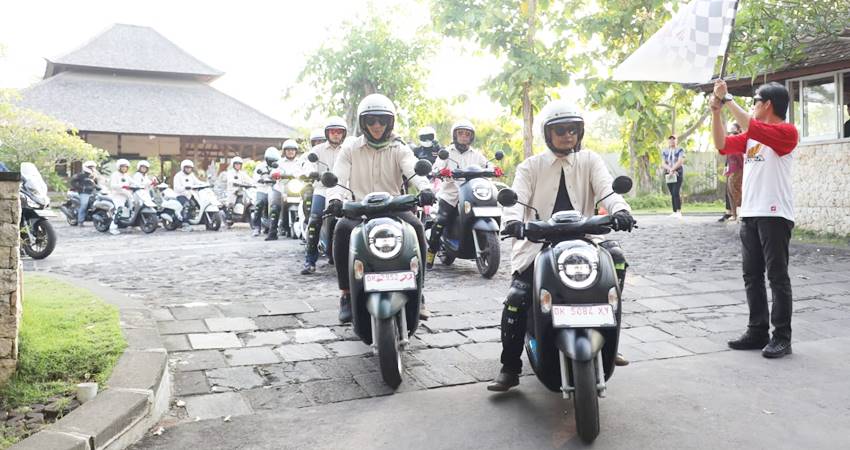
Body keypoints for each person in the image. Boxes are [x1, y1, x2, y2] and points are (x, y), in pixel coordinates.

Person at [488, 100, 635, 392]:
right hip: (538, 245)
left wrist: (621, 210)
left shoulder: (590, 160)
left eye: (573, 129)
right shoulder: (531, 166)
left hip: (585, 240)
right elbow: (516, 200)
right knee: (517, 297)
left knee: (615, 259)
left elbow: (608, 191)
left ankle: (608, 334)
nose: (568, 135)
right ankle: (510, 366)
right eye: (560, 130)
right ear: (548, 134)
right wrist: (513, 223)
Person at [326, 93, 435, 323]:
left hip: (394, 206)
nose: (377, 125)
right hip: (360, 208)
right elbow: (338, 177)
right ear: (363, 122)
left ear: (390, 122)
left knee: (417, 229)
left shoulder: (399, 148)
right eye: (371, 120)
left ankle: (420, 291)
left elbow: (413, 169)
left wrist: (425, 189)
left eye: (382, 120)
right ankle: (346, 294)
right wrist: (335, 199)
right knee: (342, 230)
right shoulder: (350, 148)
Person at [710, 80, 798, 359]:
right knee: (752, 276)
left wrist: (727, 99)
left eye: (756, 101)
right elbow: (722, 144)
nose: (753, 106)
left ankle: (782, 336)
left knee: (777, 276)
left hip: (775, 215)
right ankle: (757, 330)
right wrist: (716, 112)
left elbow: (751, 124)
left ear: (767, 104)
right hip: (750, 213)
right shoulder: (752, 137)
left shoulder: (786, 132)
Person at [425, 119, 489, 268]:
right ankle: (430, 255)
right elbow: (437, 167)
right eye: (461, 133)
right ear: (455, 135)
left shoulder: (477, 155)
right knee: (441, 221)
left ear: (471, 137)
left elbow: (487, 165)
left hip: (470, 194)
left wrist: (494, 170)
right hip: (450, 195)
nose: (464, 137)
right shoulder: (446, 153)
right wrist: (439, 171)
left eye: (467, 134)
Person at [301, 116, 348, 274]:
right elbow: (308, 163)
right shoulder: (318, 150)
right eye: (332, 131)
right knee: (314, 220)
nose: (336, 134)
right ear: (327, 133)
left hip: (343, 190)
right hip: (322, 189)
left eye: (339, 132)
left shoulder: (349, 149)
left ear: (344, 134)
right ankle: (310, 260)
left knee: (352, 221)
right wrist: (310, 172)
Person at [267, 139, 302, 240]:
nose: (290, 151)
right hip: (281, 188)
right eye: (288, 150)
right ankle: (272, 232)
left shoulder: (301, 162)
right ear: (284, 151)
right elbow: (273, 172)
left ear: (296, 151)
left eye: (293, 150)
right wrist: (274, 174)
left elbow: (307, 171)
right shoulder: (280, 162)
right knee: (275, 207)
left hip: (297, 188)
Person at [252, 147, 280, 237]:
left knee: (278, 206)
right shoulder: (260, 166)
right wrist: (260, 180)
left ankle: (279, 226)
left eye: (274, 160)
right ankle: (257, 227)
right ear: (266, 159)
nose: (272, 162)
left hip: (275, 188)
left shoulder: (279, 165)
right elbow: (255, 176)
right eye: (270, 160)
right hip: (263, 188)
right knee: (259, 204)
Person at [719, 123, 743, 222]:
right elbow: (728, 159)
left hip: (737, 171)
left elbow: (741, 159)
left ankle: (740, 214)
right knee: (730, 193)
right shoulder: (729, 147)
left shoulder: (739, 145)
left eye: (734, 132)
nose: (731, 135)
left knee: (736, 192)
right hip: (730, 171)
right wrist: (726, 169)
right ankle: (734, 215)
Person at [173, 159, 202, 231]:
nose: (188, 169)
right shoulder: (178, 175)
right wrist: (185, 188)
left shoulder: (192, 175)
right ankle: (184, 223)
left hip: (190, 194)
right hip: (180, 195)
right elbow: (176, 188)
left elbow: (197, 182)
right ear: (183, 168)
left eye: (190, 168)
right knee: (186, 205)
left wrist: (205, 184)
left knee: (199, 204)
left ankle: (204, 220)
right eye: (187, 168)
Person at [69, 160, 100, 226]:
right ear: (86, 167)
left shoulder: (94, 176)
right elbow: (72, 182)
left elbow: (97, 184)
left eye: (93, 167)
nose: (93, 168)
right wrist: (80, 187)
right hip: (84, 193)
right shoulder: (80, 175)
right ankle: (80, 221)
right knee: (84, 205)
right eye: (91, 167)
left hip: (93, 192)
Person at [661, 135, 685, 218]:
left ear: (676, 141)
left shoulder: (680, 150)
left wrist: (673, 170)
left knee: (676, 192)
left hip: (677, 172)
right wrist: (670, 170)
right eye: (670, 139)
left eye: (673, 139)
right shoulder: (665, 151)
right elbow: (663, 163)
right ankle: (674, 211)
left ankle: (679, 211)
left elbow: (680, 161)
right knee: (672, 192)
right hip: (668, 173)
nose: (672, 140)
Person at [224, 156, 253, 221]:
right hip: (233, 191)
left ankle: (244, 214)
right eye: (236, 164)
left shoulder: (242, 173)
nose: (238, 165)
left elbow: (249, 179)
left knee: (247, 199)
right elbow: (230, 180)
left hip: (241, 191)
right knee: (231, 203)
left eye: (239, 164)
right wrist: (236, 183)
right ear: (233, 165)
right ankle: (229, 217)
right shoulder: (230, 172)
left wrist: (254, 183)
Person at [108, 159, 133, 235]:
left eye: (126, 167)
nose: (124, 168)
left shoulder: (127, 176)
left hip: (127, 195)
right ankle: (113, 228)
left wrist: (140, 186)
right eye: (122, 167)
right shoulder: (115, 175)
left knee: (131, 209)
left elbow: (133, 182)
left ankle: (128, 225)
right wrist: (122, 186)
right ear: (119, 167)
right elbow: (112, 185)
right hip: (117, 196)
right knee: (120, 210)